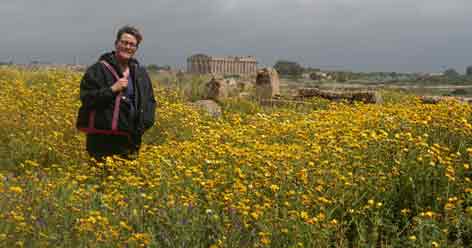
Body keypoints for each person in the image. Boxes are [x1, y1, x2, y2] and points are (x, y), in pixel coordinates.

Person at [77, 25, 156, 160]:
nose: (127, 47)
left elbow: (149, 102)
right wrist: (112, 89)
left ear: (136, 49)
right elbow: (87, 98)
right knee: (100, 178)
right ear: (116, 44)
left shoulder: (140, 73)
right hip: (102, 141)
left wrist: (143, 126)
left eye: (132, 44)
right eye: (124, 42)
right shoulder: (98, 70)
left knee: (129, 179)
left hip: (131, 140)